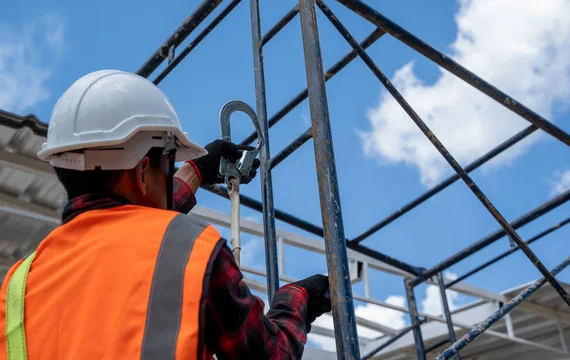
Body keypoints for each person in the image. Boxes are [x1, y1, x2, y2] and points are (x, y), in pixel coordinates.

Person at [0, 70, 331, 360]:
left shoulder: (19, 284)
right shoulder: (192, 250)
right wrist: (297, 299)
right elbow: (268, 355)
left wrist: (195, 172)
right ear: (143, 171)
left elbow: (126, 230)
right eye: (168, 160)